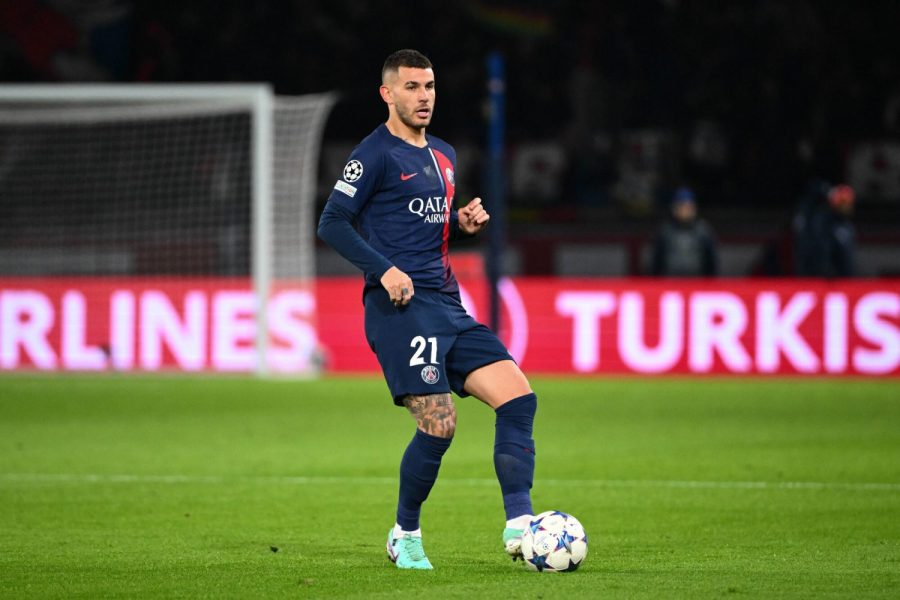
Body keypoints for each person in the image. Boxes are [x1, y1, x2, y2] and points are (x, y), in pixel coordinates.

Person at [317, 49, 537, 570]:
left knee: (518, 398)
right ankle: (405, 534)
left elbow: (421, 227)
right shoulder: (373, 154)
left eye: (430, 86)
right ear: (387, 93)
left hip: (447, 303)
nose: (424, 97)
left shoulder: (443, 154)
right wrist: (384, 270)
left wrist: (460, 223)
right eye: (412, 87)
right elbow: (332, 222)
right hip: (400, 308)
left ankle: (521, 524)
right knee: (440, 423)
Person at [650, 186, 719, 277]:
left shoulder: (703, 230)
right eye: (680, 206)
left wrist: (710, 281)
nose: (684, 211)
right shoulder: (665, 231)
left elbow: (711, 261)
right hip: (670, 282)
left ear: (694, 208)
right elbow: (656, 261)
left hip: (697, 281)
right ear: (674, 208)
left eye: (688, 207)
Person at [793, 182, 856, 277]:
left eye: (848, 203)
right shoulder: (821, 218)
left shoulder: (847, 227)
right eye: (842, 202)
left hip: (837, 280)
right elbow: (811, 190)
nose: (845, 207)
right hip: (812, 274)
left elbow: (847, 261)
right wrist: (829, 192)